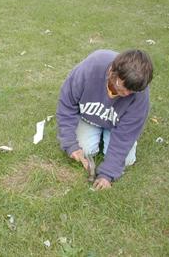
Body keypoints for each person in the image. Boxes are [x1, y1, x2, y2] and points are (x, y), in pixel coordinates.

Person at [56, 49, 153, 190]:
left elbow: (125, 136)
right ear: (112, 71)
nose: (126, 94)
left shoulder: (139, 93)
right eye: (123, 87)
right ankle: (96, 134)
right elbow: (67, 105)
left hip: (115, 125)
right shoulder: (91, 67)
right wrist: (70, 144)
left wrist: (108, 174)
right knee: (85, 150)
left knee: (127, 160)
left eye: (131, 91)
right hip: (89, 118)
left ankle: (105, 136)